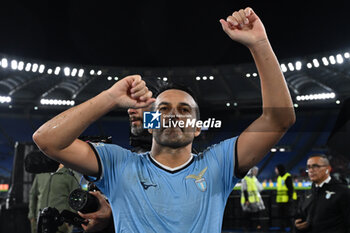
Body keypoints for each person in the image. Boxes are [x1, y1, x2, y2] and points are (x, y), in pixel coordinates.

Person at [32, 7, 295, 232]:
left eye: (184, 110)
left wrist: (259, 44)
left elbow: (278, 120)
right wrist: (110, 97)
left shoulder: (220, 163)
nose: (172, 115)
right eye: (164, 108)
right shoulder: (118, 164)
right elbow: (48, 140)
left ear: (197, 128)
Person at [294, 154, 350, 233]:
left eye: (315, 166)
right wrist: (297, 226)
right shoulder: (307, 193)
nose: (311, 170)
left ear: (328, 169)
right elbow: (300, 216)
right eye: (308, 167)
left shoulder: (342, 191)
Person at [28, 164, 80, 233]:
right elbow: (33, 194)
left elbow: (76, 197)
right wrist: (32, 216)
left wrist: (69, 220)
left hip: (61, 223)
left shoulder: (70, 174)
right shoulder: (41, 173)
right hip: (40, 221)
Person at [240, 166, 265, 231]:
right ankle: (246, 229)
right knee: (247, 216)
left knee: (254, 216)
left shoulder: (254, 178)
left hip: (254, 201)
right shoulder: (245, 179)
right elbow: (244, 190)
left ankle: (254, 228)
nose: (256, 172)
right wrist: (247, 200)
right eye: (255, 171)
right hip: (247, 201)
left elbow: (260, 188)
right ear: (251, 171)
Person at [275, 164, 297, 231]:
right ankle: (282, 229)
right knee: (281, 217)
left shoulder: (287, 177)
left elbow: (291, 189)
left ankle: (292, 229)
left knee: (289, 216)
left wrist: (290, 199)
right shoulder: (279, 178)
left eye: (276, 169)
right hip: (280, 201)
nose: (275, 171)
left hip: (287, 201)